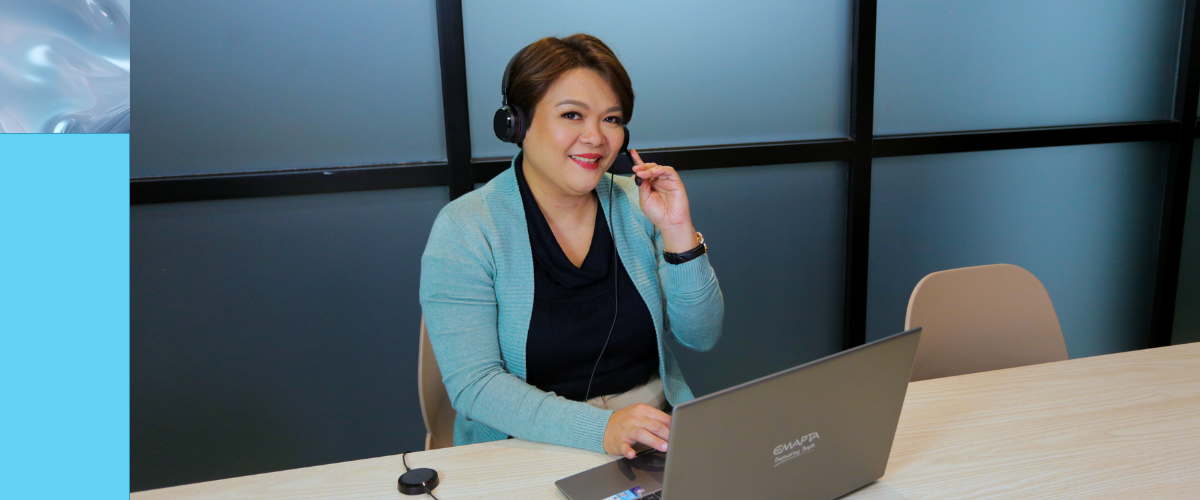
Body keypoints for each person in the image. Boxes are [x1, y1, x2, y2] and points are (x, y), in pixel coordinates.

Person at [419, 34, 723, 460]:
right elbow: (476, 385)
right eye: (572, 115)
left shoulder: (637, 205)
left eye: (611, 119)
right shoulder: (466, 228)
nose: (596, 138)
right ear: (516, 125)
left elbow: (702, 335)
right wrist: (601, 429)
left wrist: (678, 230)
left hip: (652, 438)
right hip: (524, 447)